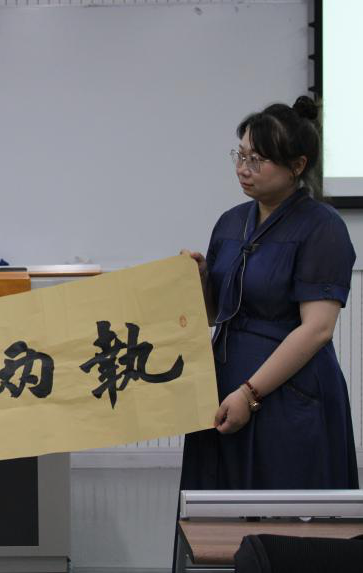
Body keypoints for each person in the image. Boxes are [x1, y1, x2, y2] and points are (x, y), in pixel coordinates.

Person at [180, 95, 358, 490]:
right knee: (218, 508)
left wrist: (249, 394)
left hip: (288, 391)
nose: (243, 169)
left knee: (285, 508)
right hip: (224, 383)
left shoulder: (322, 226)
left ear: (297, 166)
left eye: (257, 160)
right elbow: (214, 314)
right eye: (241, 155)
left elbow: (317, 329)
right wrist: (201, 277)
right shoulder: (230, 222)